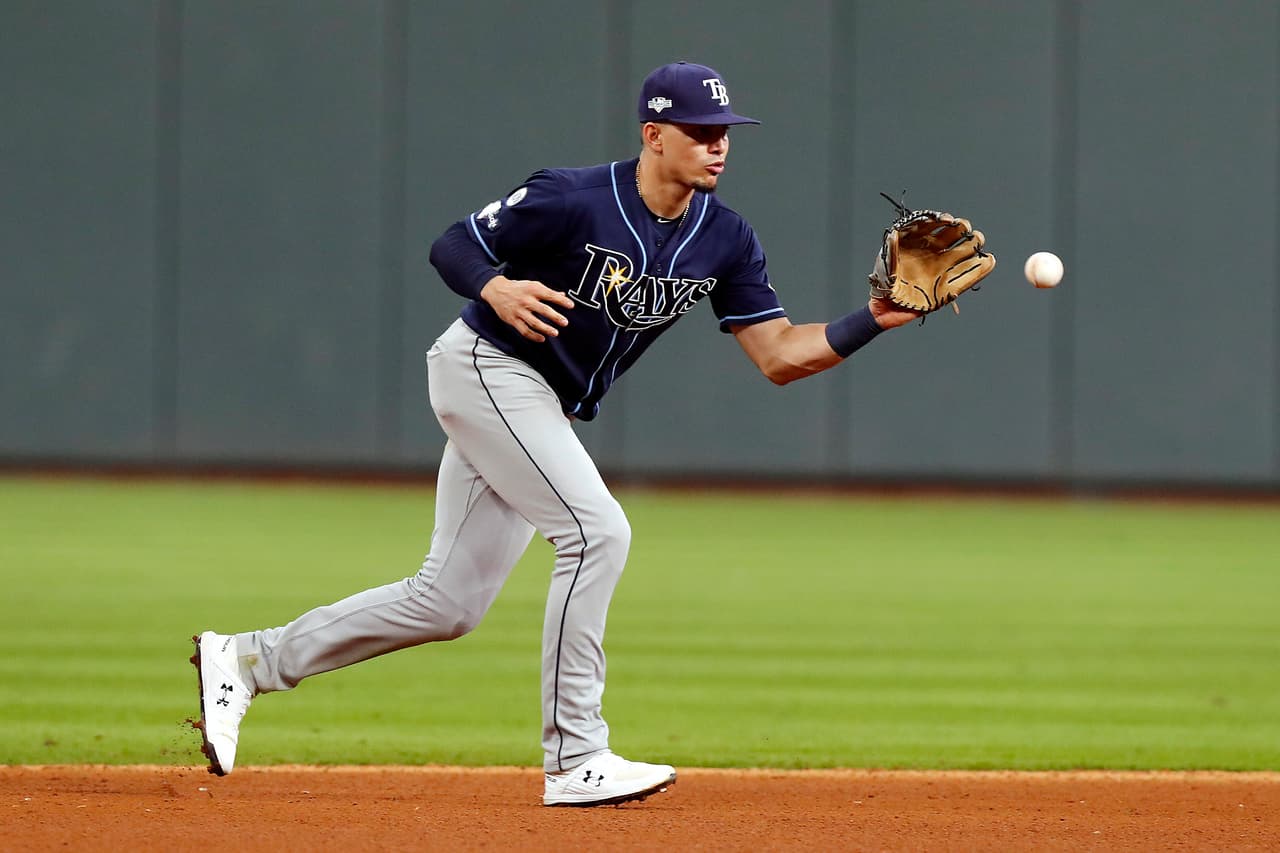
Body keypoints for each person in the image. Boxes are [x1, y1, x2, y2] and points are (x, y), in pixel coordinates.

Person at [192, 60, 920, 807]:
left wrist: (875, 319)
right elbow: (454, 243)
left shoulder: (725, 237)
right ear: (654, 134)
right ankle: (576, 754)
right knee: (597, 531)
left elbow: (779, 355)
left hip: (541, 400)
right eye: (701, 131)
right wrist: (494, 285)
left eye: (725, 132)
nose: (717, 145)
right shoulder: (572, 198)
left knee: (448, 602)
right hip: (486, 366)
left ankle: (246, 661)